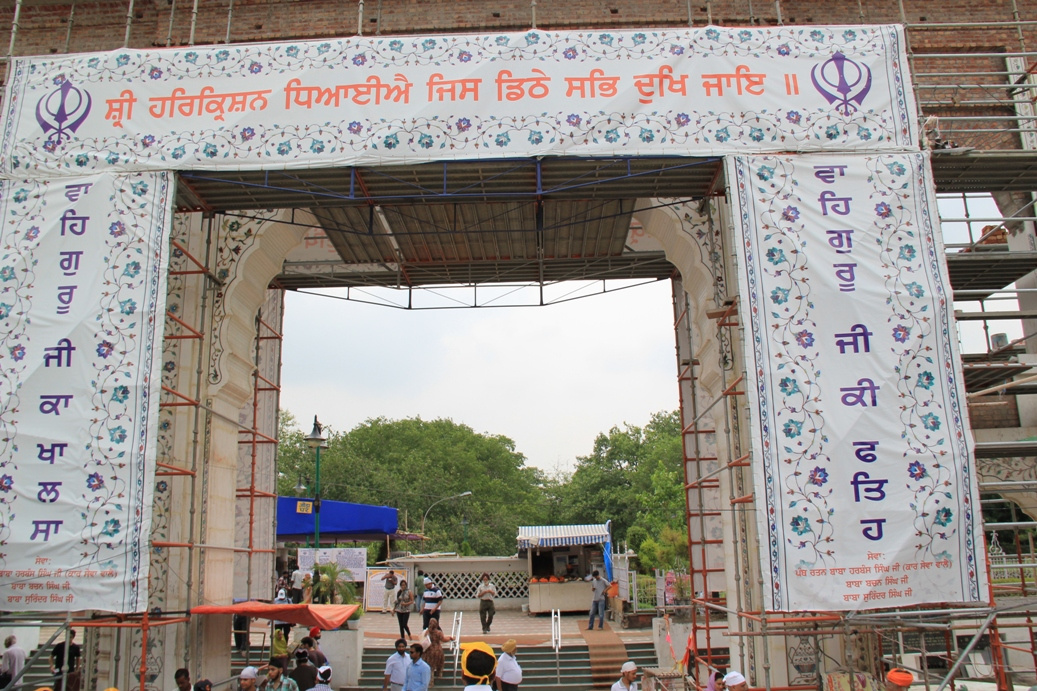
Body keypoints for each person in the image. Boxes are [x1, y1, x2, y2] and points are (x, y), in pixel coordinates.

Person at [420, 617, 452, 685]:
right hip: (437, 650)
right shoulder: (439, 632)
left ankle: (430, 682)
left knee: (430, 667)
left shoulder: (426, 632)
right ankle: (439, 676)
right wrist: (450, 638)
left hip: (429, 650)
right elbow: (443, 639)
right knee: (439, 664)